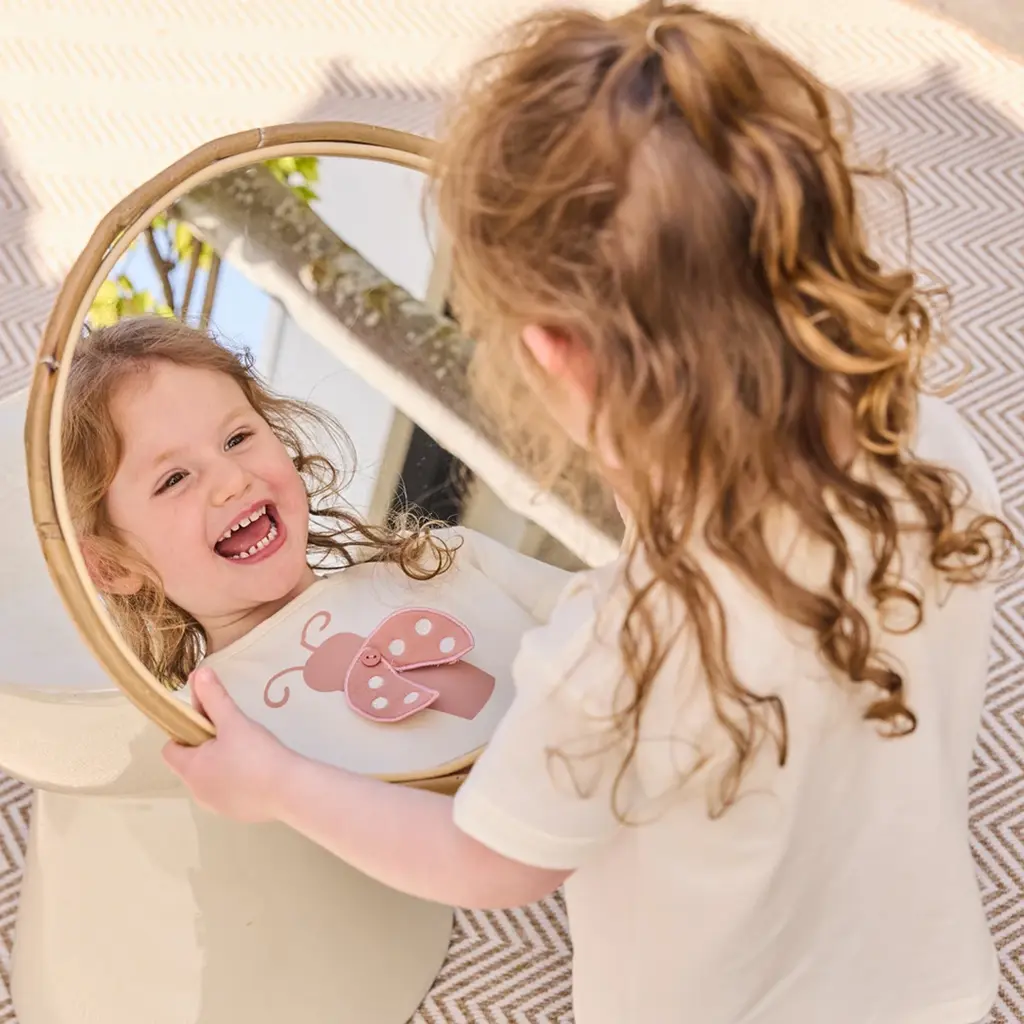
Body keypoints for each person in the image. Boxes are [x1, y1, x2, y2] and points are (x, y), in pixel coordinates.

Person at [161, 3, 1018, 1022]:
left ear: (553, 354)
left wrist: (275, 785)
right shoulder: (935, 442)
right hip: (928, 979)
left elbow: (489, 861)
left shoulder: (626, 647)